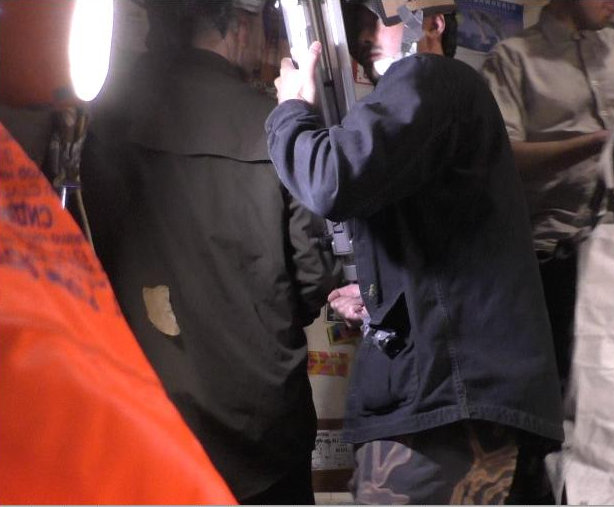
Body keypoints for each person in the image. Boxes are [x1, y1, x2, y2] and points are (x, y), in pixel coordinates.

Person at [266, 0, 564, 503]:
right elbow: (446, 250)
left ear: (432, 22)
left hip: (448, 408)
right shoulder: (448, 101)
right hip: (467, 402)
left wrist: (291, 111)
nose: (362, 36)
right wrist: (381, 295)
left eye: (374, 19)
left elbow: (330, 180)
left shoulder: (427, 77)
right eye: (356, 22)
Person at [81, 0, 339, 503]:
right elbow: (315, 277)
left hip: (149, 418)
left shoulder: (103, 120)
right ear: (238, 27)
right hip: (263, 430)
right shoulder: (275, 127)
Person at [480, 0, 614, 391]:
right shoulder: (511, 59)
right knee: (569, 394)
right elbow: (501, 160)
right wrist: (597, 143)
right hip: (556, 258)